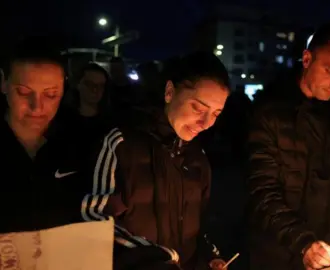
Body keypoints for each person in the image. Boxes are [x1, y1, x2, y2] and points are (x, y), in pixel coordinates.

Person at [0, 37, 180, 270]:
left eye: (50, 94)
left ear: (64, 87)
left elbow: (98, 220)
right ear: (3, 82)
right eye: (23, 91)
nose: (37, 106)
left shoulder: (81, 143)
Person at [246, 23, 330, 270]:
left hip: (328, 246)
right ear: (307, 59)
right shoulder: (271, 113)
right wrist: (303, 242)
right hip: (279, 250)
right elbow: (262, 191)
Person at [86, 51, 230, 270]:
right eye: (198, 108)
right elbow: (94, 221)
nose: (206, 122)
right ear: (170, 92)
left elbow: (201, 225)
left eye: (216, 114)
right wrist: (156, 259)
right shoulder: (122, 144)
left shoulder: (197, 159)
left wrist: (209, 256)